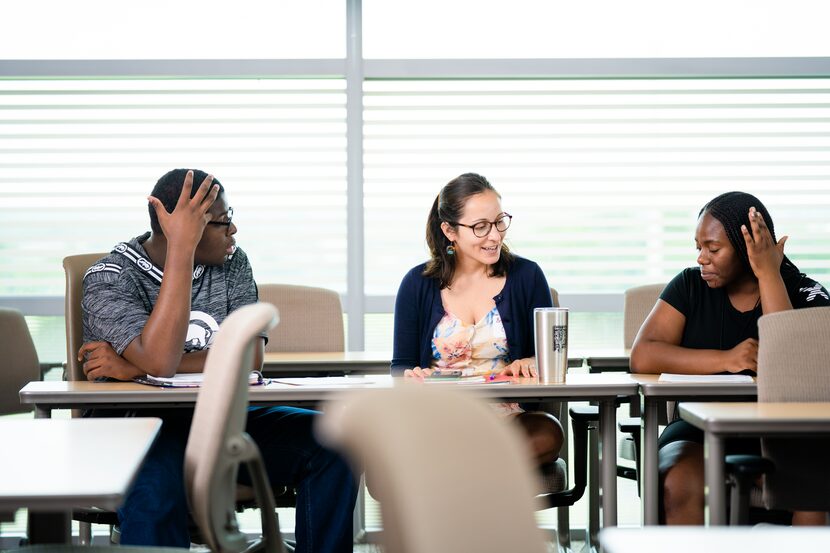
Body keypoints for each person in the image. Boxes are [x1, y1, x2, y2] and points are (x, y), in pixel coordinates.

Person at [80, 168, 357, 551]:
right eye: (221, 222)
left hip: (220, 418)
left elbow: (248, 358)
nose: (234, 231)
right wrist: (182, 249)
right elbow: (161, 361)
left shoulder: (233, 263)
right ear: (172, 225)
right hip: (135, 427)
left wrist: (131, 365)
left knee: (336, 443)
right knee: (155, 489)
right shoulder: (109, 277)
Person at [630, 191, 830, 525]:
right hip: (696, 431)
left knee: (812, 489)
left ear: (746, 246)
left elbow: (792, 365)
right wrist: (727, 358)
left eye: (713, 248)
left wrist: (768, 273)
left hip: (783, 434)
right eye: (699, 247)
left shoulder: (805, 291)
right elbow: (644, 355)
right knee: (677, 479)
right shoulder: (689, 286)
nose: (701, 259)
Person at [391, 172, 564, 478]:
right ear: (449, 230)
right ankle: (480, 485)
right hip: (439, 418)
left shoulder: (527, 276)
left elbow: (552, 360)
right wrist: (413, 376)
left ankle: (460, 475)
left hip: (508, 419)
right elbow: (400, 367)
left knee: (547, 434)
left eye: (499, 222)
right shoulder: (417, 284)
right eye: (480, 227)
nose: (495, 235)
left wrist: (531, 361)